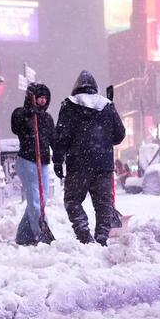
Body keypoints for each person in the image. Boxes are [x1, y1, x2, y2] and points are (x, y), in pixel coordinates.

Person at [53, 70, 126, 245]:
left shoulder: (69, 106)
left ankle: (84, 236)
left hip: (78, 165)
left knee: (72, 201)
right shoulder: (107, 105)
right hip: (103, 166)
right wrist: (104, 137)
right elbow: (120, 135)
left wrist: (58, 160)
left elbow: (61, 137)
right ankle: (101, 239)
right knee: (103, 206)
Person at [9, 82, 54, 246]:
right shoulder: (20, 113)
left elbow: (53, 140)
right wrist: (29, 114)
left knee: (41, 201)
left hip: (43, 163)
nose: (42, 101)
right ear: (31, 98)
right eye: (39, 97)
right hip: (27, 162)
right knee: (35, 200)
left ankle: (23, 235)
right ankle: (41, 234)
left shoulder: (47, 118)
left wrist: (59, 158)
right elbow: (16, 127)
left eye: (45, 98)